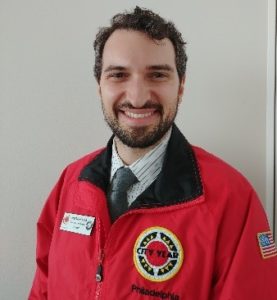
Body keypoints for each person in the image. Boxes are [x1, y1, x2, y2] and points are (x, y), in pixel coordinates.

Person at [29, 6, 277, 300]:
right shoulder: (70, 183)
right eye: (118, 75)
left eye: (157, 75)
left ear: (181, 87)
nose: (137, 97)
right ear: (100, 86)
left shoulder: (232, 199)